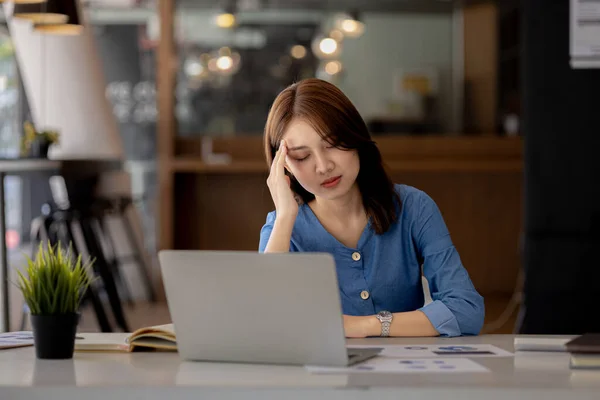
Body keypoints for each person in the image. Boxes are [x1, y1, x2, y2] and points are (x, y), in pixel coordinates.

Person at [258, 78, 484, 338]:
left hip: (405, 370)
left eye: (332, 143)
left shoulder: (413, 207)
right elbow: (267, 325)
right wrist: (285, 216)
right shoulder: (281, 228)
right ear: (284, 166)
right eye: (302, 156)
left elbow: (466, 310)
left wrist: (363, 326)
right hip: (323, 375)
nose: (323, 166)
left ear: (356, 138)